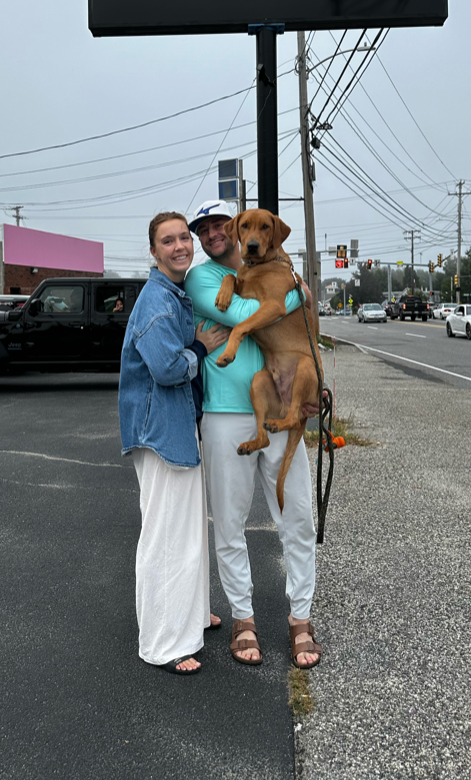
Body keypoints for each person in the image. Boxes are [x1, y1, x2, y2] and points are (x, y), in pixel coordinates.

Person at [184, 200, 322, 669]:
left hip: (279, 406)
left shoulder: (270, 267)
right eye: (203, 229)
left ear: (237, 227)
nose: (213, 233)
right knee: (229, 523)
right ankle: (243, 619)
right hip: (224, 414)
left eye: (219, 224)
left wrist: (317, 387)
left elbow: (298, 332)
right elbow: (245, 309)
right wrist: (298, 293)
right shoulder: (202, 278)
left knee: (298, 518)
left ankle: (301, 618)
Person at [119, 211, 229, 675]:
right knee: (166, 537)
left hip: (178, 426)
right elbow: (167, 369)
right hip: (160, 432)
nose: (181, 245)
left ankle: (190, 616)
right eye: (169, 241)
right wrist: (200, 348)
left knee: (188, 530)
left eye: (185, 237)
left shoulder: (173, 293)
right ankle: (163, 643)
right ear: (154, 251)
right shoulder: (158, 303)